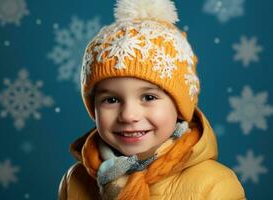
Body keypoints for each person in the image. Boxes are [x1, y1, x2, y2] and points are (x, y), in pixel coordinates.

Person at [59, 0, 246, 199]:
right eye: (111, 100)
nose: (129, 115)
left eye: (148, 97)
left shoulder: (215, 186)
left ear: (179, 106)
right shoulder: (75, 181)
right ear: (93, 107)